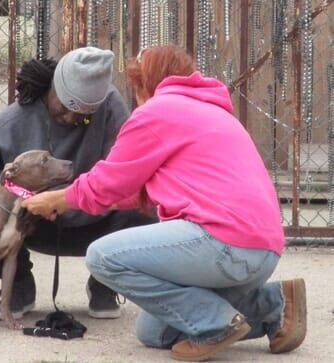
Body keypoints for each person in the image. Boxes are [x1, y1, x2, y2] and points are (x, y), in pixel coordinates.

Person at [22, 45, 306, 361]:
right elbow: (135, 189)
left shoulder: (157, 112)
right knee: (155, 333)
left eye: (136, 86)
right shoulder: (210, 110)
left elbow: (110, 181)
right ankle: (273, 305)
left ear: (146, 83)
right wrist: (98, 200)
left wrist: (61, 198)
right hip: (261, 252)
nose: (135, 96)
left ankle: (214, 323)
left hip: (224, 245)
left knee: (103, 257)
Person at [0, 47, 154, 321]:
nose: (72, 119)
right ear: (50, 90)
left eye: (84, 116)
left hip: (97, 223)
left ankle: (105, 283)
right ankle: (18, 285)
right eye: (64, 109)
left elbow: (129, 169)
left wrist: (67, 200)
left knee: (145, 196)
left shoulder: (111, 108)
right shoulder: (17, 119)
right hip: (33, 226)